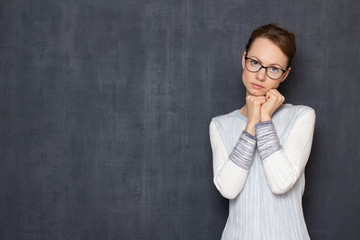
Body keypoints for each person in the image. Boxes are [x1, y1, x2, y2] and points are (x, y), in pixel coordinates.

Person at [209, 23, 316, 239]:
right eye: (255, 63)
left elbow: (281, 183)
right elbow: (228, 189)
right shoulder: (220, 125)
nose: (260, 76)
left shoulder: (302, 116)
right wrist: (251, 124)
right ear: (244, 59)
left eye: (273, 69)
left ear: (284, 75)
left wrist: (265, 119)